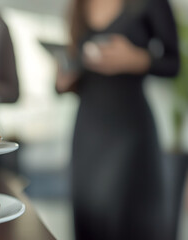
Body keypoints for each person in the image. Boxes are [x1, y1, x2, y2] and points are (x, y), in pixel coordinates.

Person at [56, 0, 180, 239]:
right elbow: (69, 73)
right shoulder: (78, 6)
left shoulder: (151, 4)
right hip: (87, 131)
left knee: (128, 220)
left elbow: (173, 64)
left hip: (130, 130)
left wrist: (137, 59)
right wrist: (62, 80)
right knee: (89, 220)